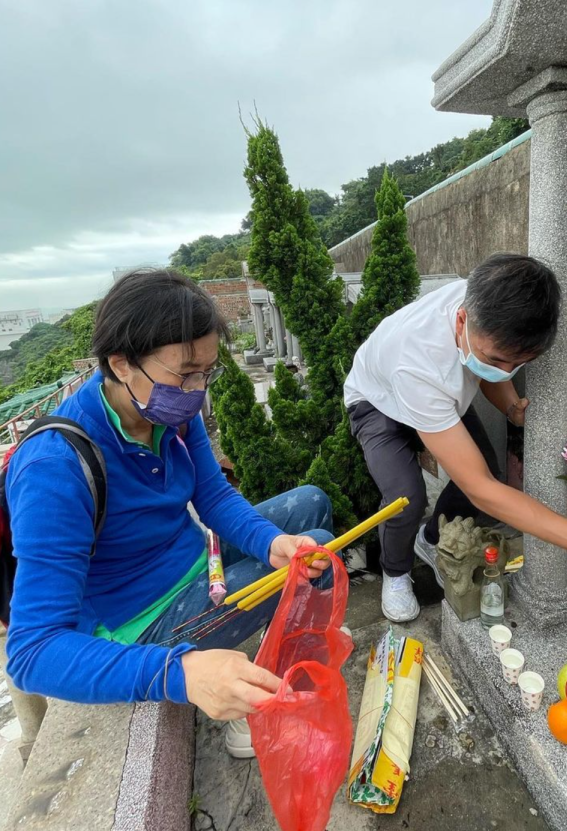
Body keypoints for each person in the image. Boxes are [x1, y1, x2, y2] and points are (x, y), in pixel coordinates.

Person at [5, 268, 335, 759]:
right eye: (186, 373)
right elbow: (32, 652)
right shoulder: (55, 466)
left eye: (207, 371)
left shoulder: (171, 411)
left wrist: (270, 544)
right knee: (312, 563)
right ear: (121, 363)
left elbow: (215, 497)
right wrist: (179, 674)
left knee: (310, 512)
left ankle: (276, 646)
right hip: (145, 619)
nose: (198, 389)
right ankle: (258, 696)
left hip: (198, 563)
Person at [344, 253, 567, 622]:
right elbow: (478, 487)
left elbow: (487, 371)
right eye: (496, 359)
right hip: (378, 401)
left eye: (515, 365)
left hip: (441, 395)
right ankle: (396, 573)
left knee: (490, 472)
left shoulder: (489, 304)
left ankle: (432, 540)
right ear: (462, 319)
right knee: (406, 496)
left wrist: (511, 406)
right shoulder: (418, 363)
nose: (505, 371)